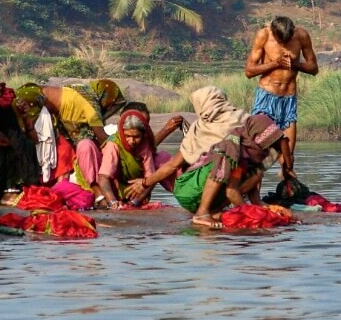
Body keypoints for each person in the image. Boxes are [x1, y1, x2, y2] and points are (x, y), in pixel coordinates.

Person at [172, 113, 292, 229]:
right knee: (222, 164)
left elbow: (283, 142)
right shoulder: (232, 150)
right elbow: (231, 192)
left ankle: (213, 212)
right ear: (255, 138)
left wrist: (269, 210)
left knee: (257, 173)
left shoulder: (249, 160)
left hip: (201, 195)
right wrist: (251, 213)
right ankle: (202, 213)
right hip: (189, 189)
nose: (267, 150)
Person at [131, 86, 247, 201]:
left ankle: (204, 209)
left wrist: (144, 183)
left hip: (208, 186)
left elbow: (173, 165)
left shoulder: (201, 129)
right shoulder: (243, 120)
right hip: (234, 182)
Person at [244, 16, 317, 179]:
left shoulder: (302, 36)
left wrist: (295, 63)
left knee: (288, 156)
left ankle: (288, 194)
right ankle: (252, 195)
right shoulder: (263, 35)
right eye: (280, 40)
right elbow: (249, 71)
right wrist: (275, 63)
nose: (284, 44)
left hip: (289, 100)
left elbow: (313, 68)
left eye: (287, 40)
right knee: (259, 151)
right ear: (273, 33)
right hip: (266, 98)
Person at [96, 102, 178, 208]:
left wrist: (135, 202)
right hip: (113, 192)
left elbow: (151, 178)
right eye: (128, 136)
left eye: (136, 137)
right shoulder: (113, 144)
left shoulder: (145, 145)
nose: (132, 141)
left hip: (136, 194)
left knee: (162, 159)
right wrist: (112, 202)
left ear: (143, 134)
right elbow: (103, 177)